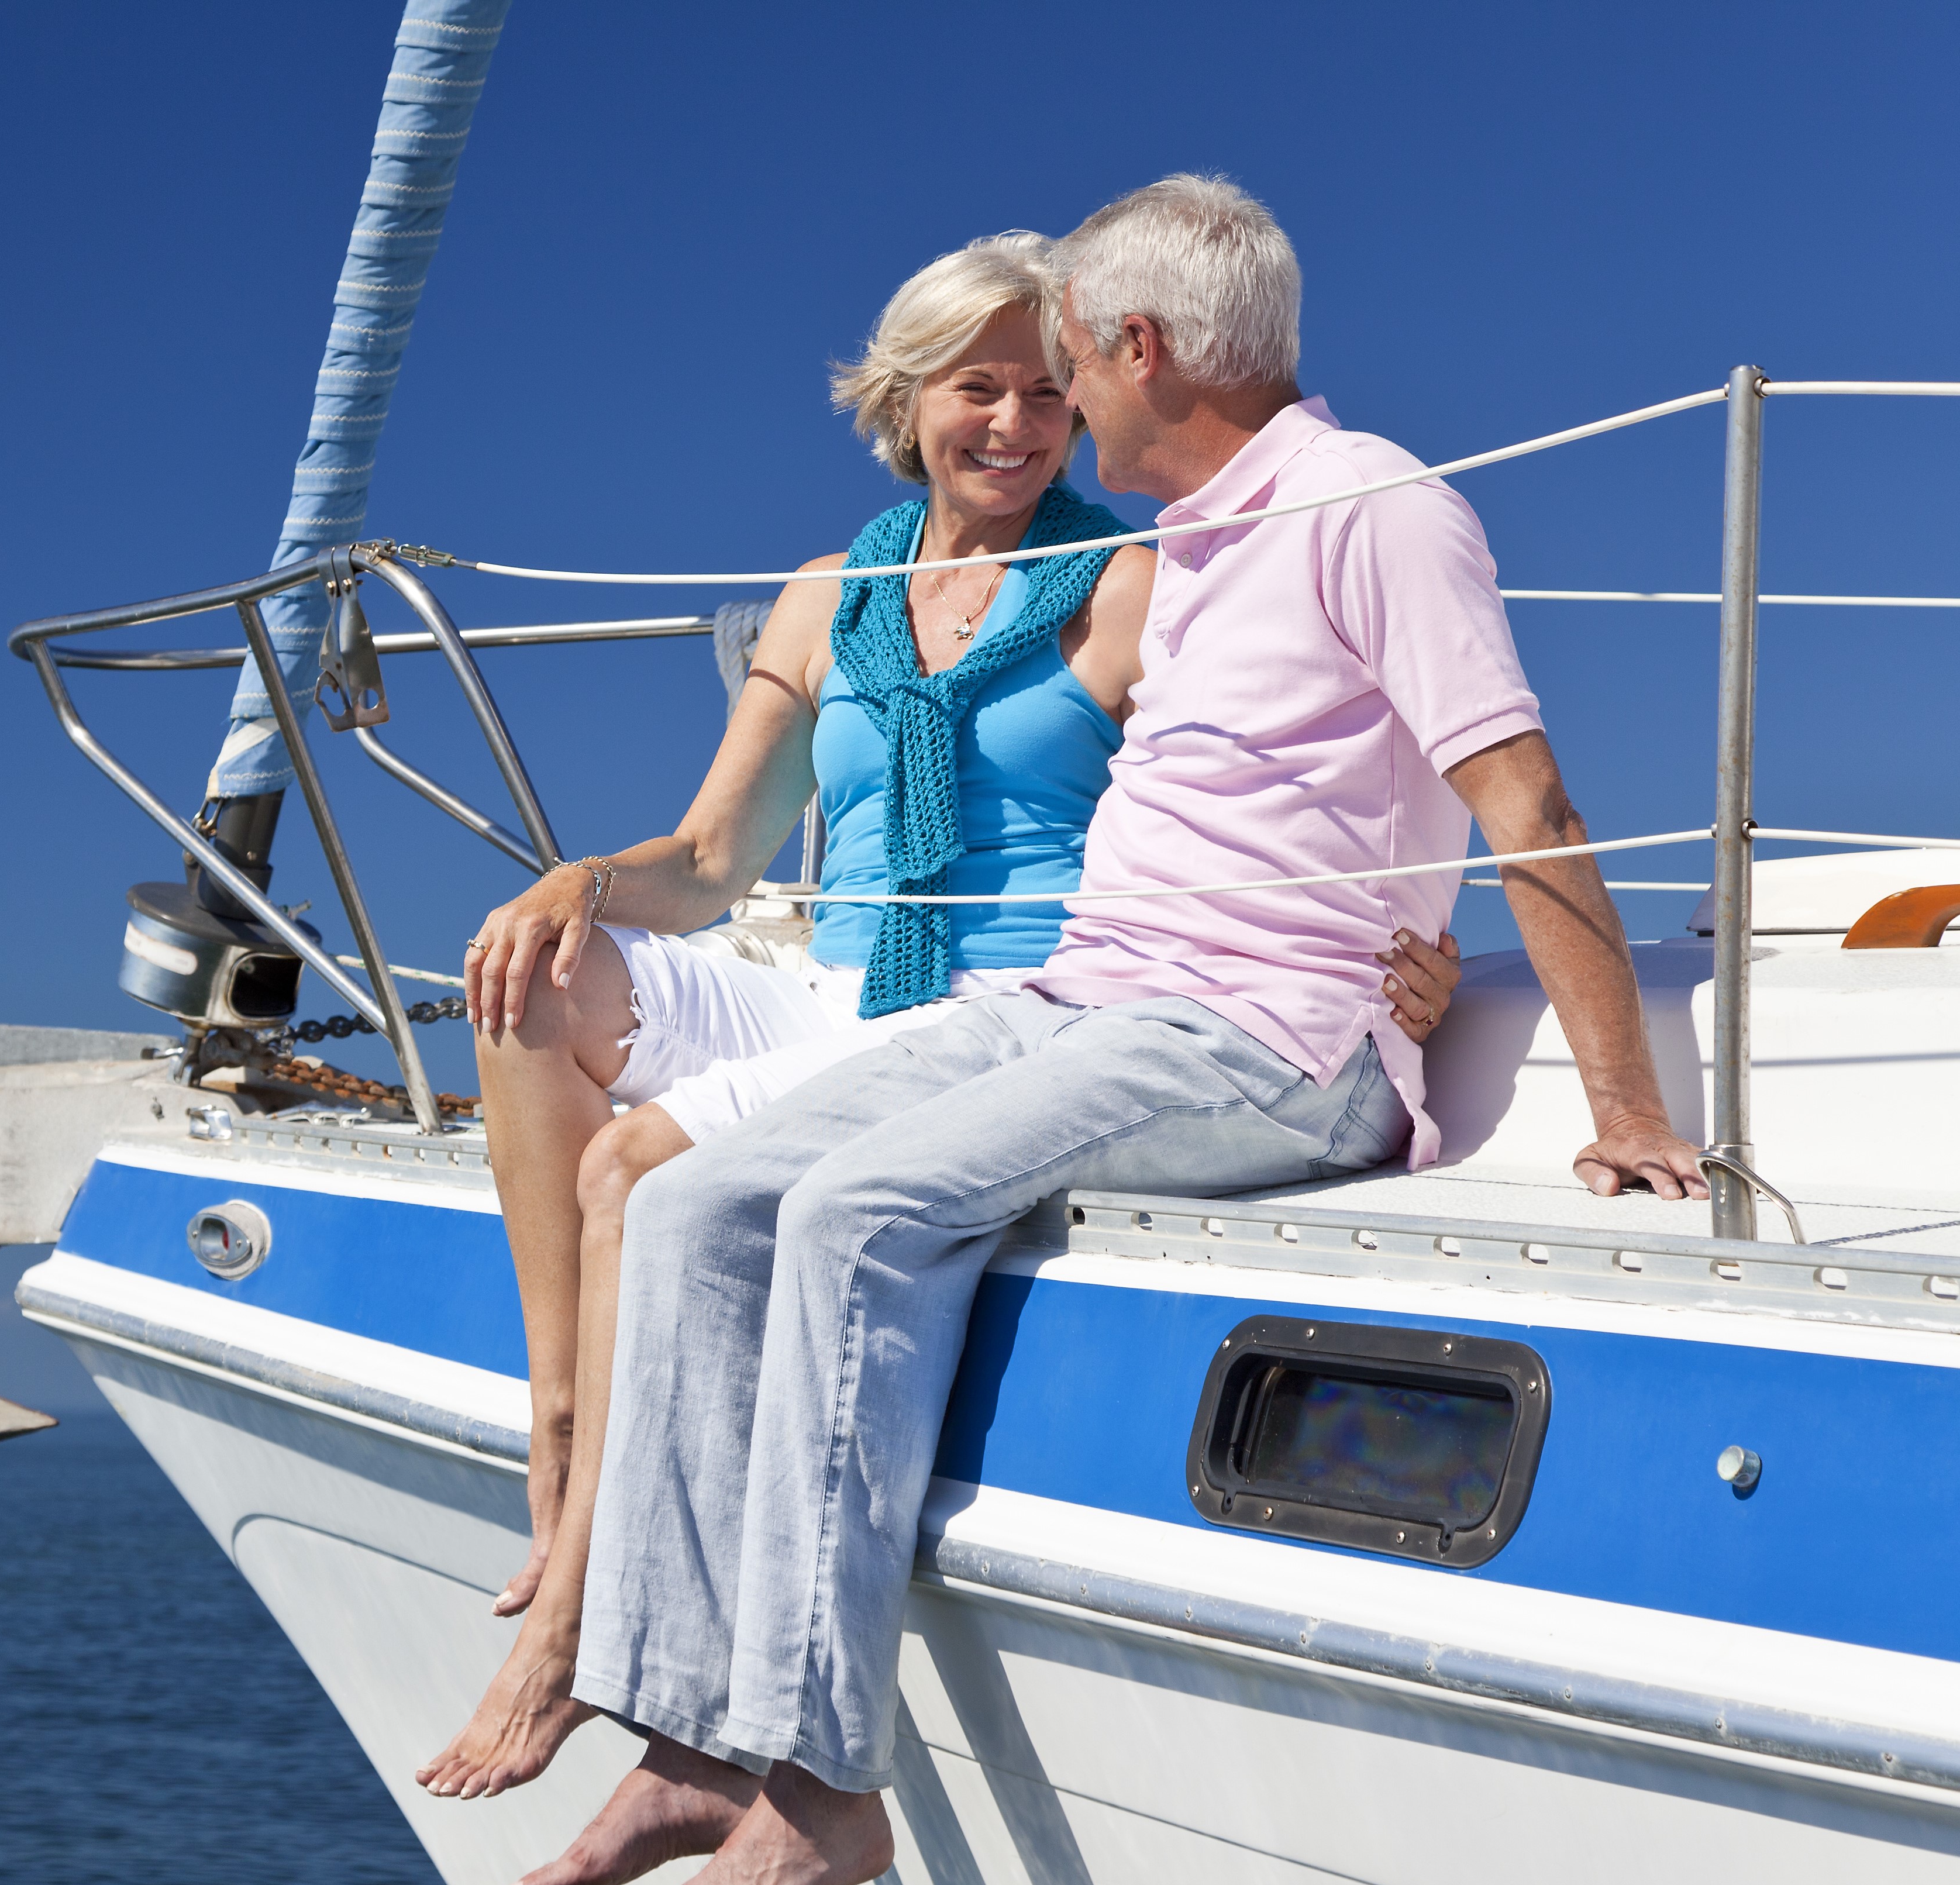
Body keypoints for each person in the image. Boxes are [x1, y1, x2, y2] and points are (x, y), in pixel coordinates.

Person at [514, 174, 1709, 1885]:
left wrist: (1625, 1110)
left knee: (853, 1209)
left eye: (1069, 360)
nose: (1056, 398)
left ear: (1137, 350)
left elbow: (1520, 797)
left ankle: (822, 1784)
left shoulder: (1370, 507)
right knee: (696, 1197)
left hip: (1258, 1038)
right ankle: (686, 1728)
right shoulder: (1209, 534)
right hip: (1087, 994)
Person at [414, 233, 1460, 1805]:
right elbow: (706, 869)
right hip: (822, 976)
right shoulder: (833, 593)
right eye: (979, 387)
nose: (1016, 424)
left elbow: (1304, 772)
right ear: (905, 400)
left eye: (1048, 391)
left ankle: (568, 1604)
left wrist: (1405, 938)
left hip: (1000, 999)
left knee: (639, 1161)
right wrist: (575, 879)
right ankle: (561, 1425)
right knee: (517, 979)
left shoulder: (1124, 585)